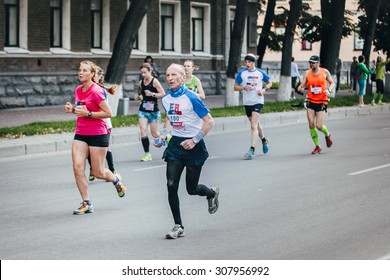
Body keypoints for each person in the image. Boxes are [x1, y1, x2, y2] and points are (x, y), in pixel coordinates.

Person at [155, 63, 219, 239]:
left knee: (191, 189)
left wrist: (194, 140)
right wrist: (163, 135)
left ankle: (211, 193)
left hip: (194, 145)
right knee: (171, 185)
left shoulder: (192, 98)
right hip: (175, 145)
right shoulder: (166, 98)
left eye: (174, 74)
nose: (170, 78)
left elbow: (209, 121)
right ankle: (178, 226)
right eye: (167, 75)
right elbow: (170, 119)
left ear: (183, 77)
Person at [64, 60, 126, 215]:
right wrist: (73, 109)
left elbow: (108, 113)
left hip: (98, 134)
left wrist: (88, 114)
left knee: (98, 173)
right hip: (81, 133)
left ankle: (116, 180)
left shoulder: (96, 91)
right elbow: (81, 109)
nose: (81, 73)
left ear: (92, 74)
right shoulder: (79, 89)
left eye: (84, 70)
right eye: (79, 70)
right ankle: (86, 203)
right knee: (78, 168)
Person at [233, 53, 271, 159]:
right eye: (246, 62)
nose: (247, 64)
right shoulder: (242, 73)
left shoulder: (260, 73)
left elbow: (269, 83)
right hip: (247, 102)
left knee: (253, 126)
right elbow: (235, 87)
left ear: (253, 62)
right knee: (257, 126)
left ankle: (252, 150)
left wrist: (263, 90)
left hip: (258, 101)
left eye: (249, 62)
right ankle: (264, 140)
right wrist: (243, 87)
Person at [87, 66, 121, 182]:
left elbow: (104, 110)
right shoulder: (86, 88)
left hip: (104, 124)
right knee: (87, 148)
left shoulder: (99, 90)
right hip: (91, 123)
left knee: (105, 148)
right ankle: (93, 168)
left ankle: (112, 170)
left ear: (98, 77)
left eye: (93, 74)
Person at [297, 55, 335, 155]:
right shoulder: (307, 73)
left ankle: (327, 134)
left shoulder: (324, 72)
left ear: (318, 63)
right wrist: (300, 88)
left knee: (319, 126)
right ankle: (318, 146)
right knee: (311, 124)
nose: (311, 64)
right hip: (310, 101)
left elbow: (332, 83)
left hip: (322, 101)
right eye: (310, 62)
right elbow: (302, 85)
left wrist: (329, 90)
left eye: (313, 62)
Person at [134, 62, 165, 161]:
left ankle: (167, 140)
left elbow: (162, 93)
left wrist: (152, 94)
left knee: (155, 133)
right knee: (143, 131)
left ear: (150, 71)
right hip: (143, 110)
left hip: (153, 111)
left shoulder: (154, 82)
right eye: (141, 73)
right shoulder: (141, 83)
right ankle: (147, 154)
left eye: (145, 73)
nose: (143, 75)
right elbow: (139, 94)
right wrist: (137, 97)